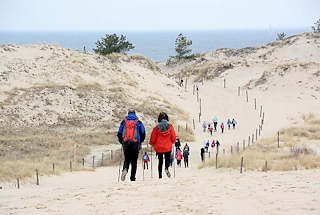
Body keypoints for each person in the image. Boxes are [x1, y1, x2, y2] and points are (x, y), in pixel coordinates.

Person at [117, 109, 146, 182]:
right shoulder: (138, 122)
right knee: (134, 161)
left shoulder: (124, 122)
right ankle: (132, 178)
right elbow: (143, 133)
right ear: (135, 114)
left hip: (126, 143)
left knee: (127, 159)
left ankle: (125, 169)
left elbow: (119, 133)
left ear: (128, 114)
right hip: (135, 144)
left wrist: (122, 142)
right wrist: (140, 142)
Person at [149, 112, 176, 179]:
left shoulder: (156, 127)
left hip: (159, 147)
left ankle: (160, 176)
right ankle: (166, 168)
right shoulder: (170, 126)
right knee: (167, 159)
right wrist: (173, 141)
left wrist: (152, 143)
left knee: (160, 161)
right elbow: (173, 137)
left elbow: (153, 138)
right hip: (168, 146)